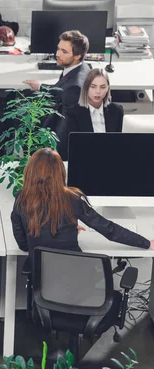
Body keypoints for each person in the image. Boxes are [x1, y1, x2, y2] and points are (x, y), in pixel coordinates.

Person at [11, 148, 153, 260]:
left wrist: (66, 227)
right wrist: (146, 243)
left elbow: (23, 244)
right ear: (60, 172)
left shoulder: (22, 198)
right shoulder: (72, 199)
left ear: (30, 172)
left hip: (43, 283)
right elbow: (108, 229)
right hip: (76, 278)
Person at [23, 31, 91, 160]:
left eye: (64, 52)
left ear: (77, 55)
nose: (58, 54)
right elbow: (61, 91)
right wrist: (41, 87)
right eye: (58, 49)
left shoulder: (75, 87)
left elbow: (63, 131)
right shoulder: (80, 67)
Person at [65, 68, 123, 134]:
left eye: (102, 87)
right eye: (93, 87)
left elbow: (119, 141)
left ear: (107, 88)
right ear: (86, 88)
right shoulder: (73, 113)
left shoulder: (117, 111)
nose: (98, 91)